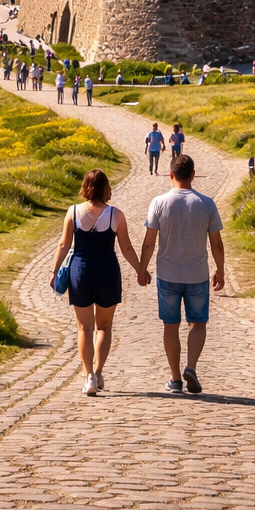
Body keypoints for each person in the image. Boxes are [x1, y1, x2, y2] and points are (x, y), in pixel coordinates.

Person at [49, 168, 147, 396]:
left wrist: (54, 271)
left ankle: (88, 376)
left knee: (84, 327)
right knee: (104, 327)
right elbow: (126, 247)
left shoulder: (73, 212)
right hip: (107, 271)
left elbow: (64, 245)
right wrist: (140, 270)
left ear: (85, 186)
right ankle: (99, 371)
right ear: (106, 188)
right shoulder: (116, 215)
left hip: (80, 271)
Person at [138, 154, 225, 395]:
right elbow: (216, 243)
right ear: (193, 175)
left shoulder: (158, 202)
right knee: (198, 323)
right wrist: (220, 270)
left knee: (170, 325)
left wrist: (142, 269)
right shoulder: (206, 203)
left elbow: (149, 241)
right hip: (197, 273)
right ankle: (191, 367)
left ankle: (175, 379)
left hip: (167, 273)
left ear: (171, 175)